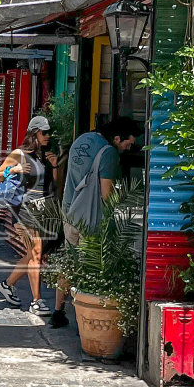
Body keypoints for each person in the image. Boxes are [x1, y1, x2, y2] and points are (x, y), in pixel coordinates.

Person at [51, 116, 139, 328]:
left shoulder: (82, 140)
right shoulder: (108, 153)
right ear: (117, 138)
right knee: (91, 267)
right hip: (90, 217)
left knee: (70, 263)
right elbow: (106, 194)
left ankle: (58, 311)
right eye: (127, 144)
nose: (127, 149)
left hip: (69, 209)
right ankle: (87, 321)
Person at [0, 114, 59, 317]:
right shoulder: (19, 154)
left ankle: (8, 284)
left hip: (44, 209)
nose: (47, 136)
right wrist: (14, 169)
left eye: (49, 132)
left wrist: (55, 166)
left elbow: (55, 184)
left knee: (34, 254)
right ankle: (36, 301)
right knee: (36, 252)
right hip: (23, 209)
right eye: (44, 132)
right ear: (34, 133)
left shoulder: (47, 155)